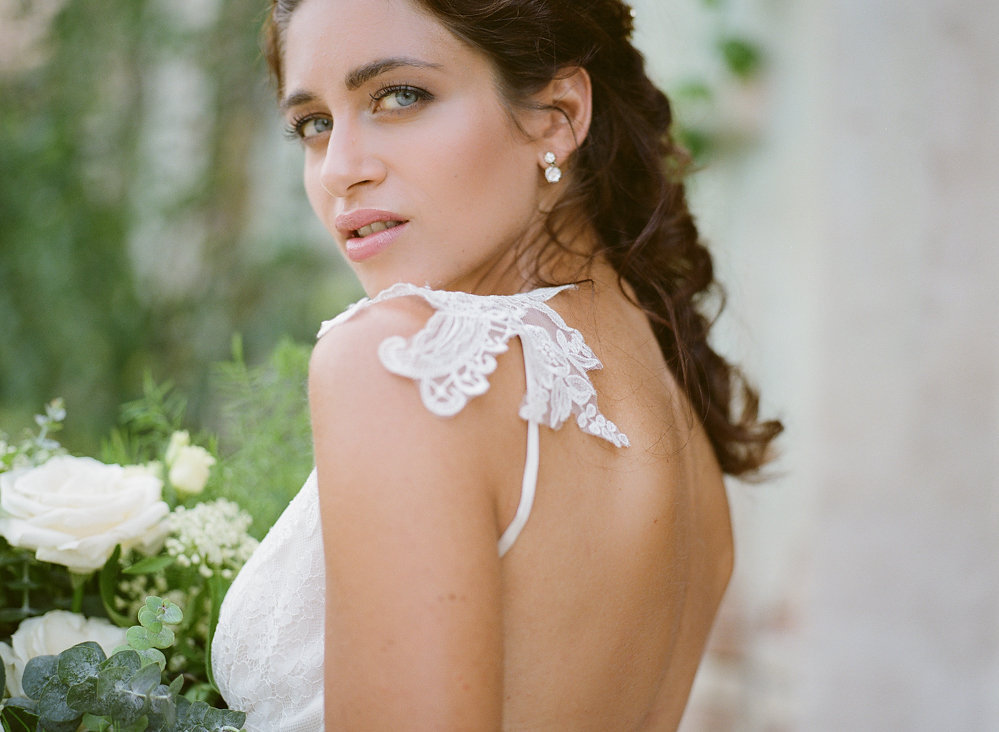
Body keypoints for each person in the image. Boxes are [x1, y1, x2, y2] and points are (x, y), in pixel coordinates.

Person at [210, 0, 783, 729]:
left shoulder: (401, 361)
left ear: (557, 113)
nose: (341, 172)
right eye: (314, 124)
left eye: (398, 97)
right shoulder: (675, 411)